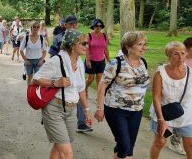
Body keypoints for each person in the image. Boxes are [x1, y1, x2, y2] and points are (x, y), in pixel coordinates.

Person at [32, 29, 93, 159]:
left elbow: (81, 88)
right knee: (67, 153)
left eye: (88, 43)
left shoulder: (80, 62)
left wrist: (86, 110)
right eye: (83, 43)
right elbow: (36, 79)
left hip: (71, 110)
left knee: (60, 146)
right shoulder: (57, 61)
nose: (87, 46)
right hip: (54, 109)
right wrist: (55, 83)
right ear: (72, 45)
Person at [94, 31, 150, 159]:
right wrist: (99, 108)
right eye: (140, 44)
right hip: (116, 109)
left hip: (136, 111)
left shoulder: (143, 63)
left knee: (127, 147)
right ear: (128, 47)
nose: (144, 47)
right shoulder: (116, 63)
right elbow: (102, 86)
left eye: (144, 44)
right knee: (125, 145)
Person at [149, 41, 192, 159]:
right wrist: (161, 120)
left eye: (183, 53)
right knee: (160, 142)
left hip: (187, 113)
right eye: (175, 54)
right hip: (165, 113)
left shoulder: (190, 72)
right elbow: (156, 97)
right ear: (168, 55)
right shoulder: (160, 73)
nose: (180, 57)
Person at [85, 18, 110, 89]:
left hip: (101, 61)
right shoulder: (89, 35)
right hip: (91, 60)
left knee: (99, 79)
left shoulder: (105, 36)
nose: (98, 27)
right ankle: (84, 89)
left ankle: (98, 95)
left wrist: (109, 60)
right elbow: (87, 48)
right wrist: (87, 60)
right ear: (93, 26)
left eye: (100, 26)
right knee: (90, 79)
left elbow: (105, 49)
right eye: (96, 26)